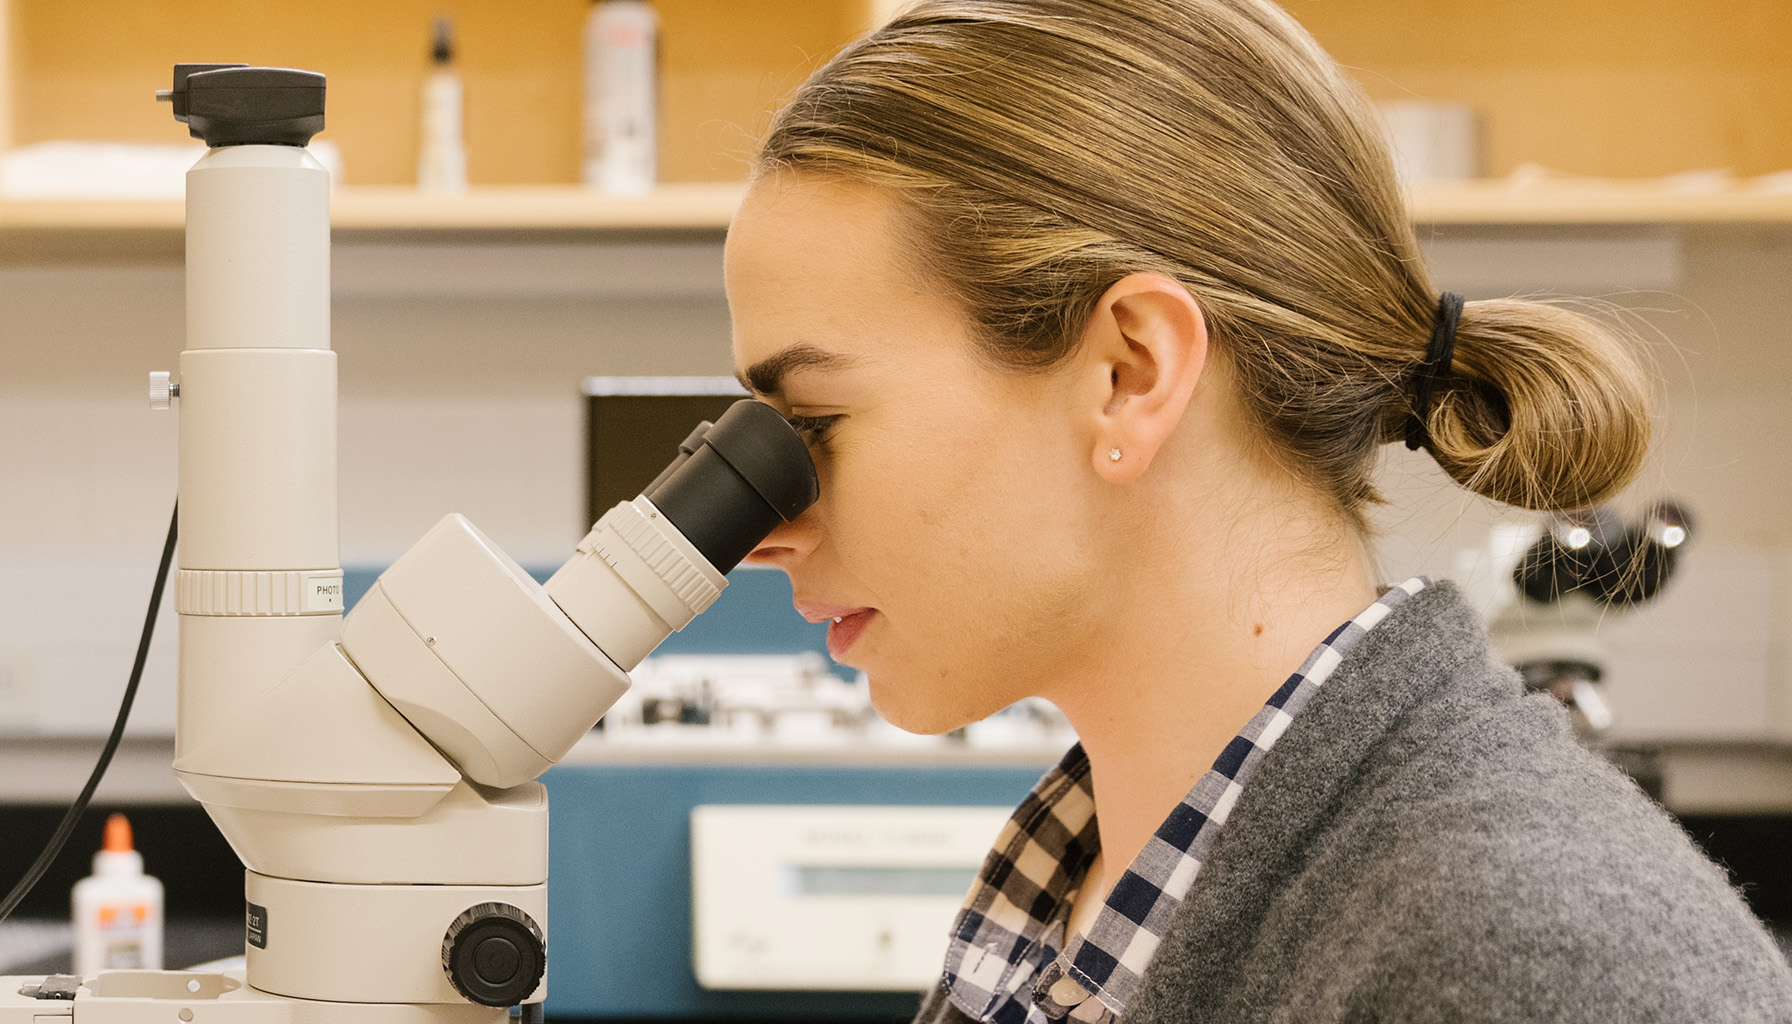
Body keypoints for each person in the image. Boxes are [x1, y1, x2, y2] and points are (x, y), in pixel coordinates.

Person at [724, 0, 1792, 1020]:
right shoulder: (1084, 885)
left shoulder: (1541, 964)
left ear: (1131, 374)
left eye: (814, 420)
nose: (766, 533)